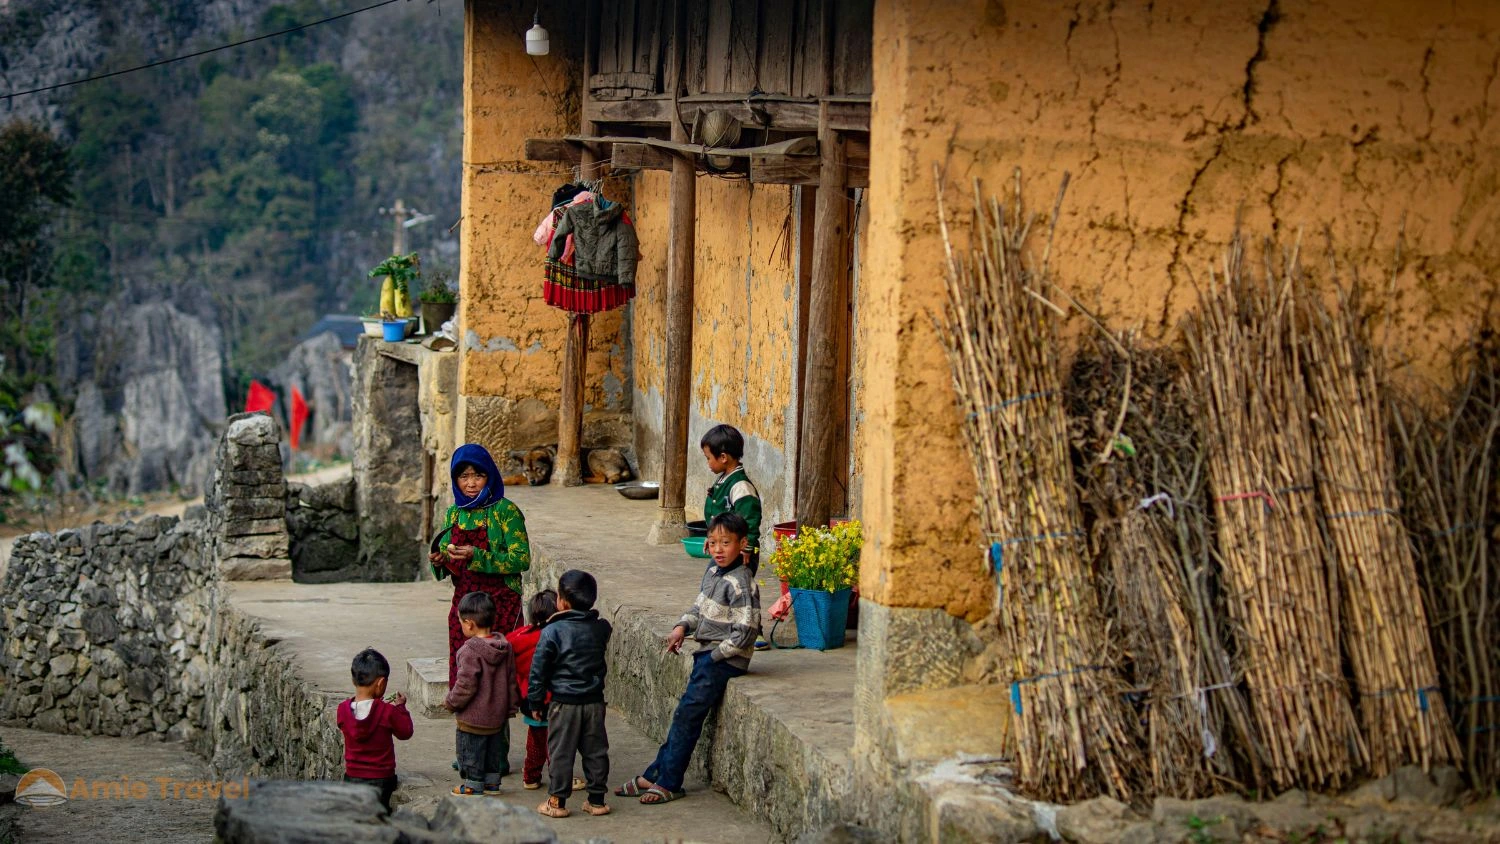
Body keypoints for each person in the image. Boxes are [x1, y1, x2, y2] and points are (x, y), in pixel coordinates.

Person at [619, 513, 761, 805]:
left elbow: (746, 632)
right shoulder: (713, 573)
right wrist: (682, 627)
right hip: (708, 654)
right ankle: (655, 773)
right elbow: (699, 608)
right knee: (683, 715)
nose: (718, 549)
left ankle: (670, 781)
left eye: (726, 543)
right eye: (713, 542)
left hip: (724, 659)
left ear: (742, 544)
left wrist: (716, 656)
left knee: (688, 716)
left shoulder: (741, 584)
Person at [429, 444, 532, 689]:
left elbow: (521, 559)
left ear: (490, 476)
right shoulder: (454, 514)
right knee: (463, 658)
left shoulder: (505, 511)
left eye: (478, 475)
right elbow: (446, 553)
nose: (471, 483)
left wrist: (478, 556)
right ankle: (464, 706)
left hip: (501, 601)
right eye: (464, 477)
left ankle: (498, 709)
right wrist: (442, 560)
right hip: (465, 601)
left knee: (498, 665)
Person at [526, 570, 612, 818]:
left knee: (561, 752)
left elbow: (538, 672)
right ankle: (597, 801)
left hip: (564, 703)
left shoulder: (551, 632)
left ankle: (557, 802)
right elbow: (602, 626)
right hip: (594, 701)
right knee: (596, 751)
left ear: (561, 602)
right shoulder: (601, 628)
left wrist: (535, 701)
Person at [443, 591, 522, 797]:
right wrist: (511, 707)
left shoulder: (469, 650)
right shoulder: (504, 647)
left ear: (469, 624)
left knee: (471, 751)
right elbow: (511, 679)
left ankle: (473, 784)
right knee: (492, 751)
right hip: (497, 716)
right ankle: (492, 783)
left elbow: (465, 685)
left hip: (473, 717)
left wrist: (451, 702)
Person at [336, 649, 413, 810]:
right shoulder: (387, 711)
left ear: (353, 680)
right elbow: (405, 732)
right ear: (381, 683)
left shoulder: (342, 710)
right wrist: (400, 708)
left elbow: (357, 721)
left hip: (352, 777)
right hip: (382, 780)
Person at [507, 589, 558, 791]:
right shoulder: (555, 637)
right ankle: (559, 775)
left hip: (528, 698)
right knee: (556, 741)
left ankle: (531, 776)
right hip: (551, 698)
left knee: (536, 740)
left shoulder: (518, 637)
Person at [701, 424, 763, 574]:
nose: (707, 462)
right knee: (713, 584)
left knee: (736, 588)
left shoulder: (740, 486)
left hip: (738, 553)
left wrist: (747, 548)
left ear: (723, 457)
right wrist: (711, 539)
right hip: (725, 549)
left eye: (708, 458)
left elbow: (750, 519)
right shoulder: (723, 479)